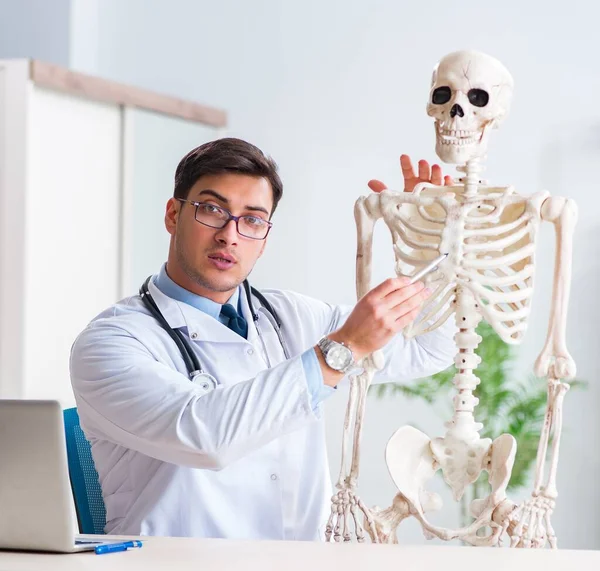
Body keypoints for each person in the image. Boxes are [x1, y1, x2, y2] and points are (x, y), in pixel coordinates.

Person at [70, 137, 456, 541]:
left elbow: (430, 348)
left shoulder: (293, 317)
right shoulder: (110, 342)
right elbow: (205, 438)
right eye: (212, 210)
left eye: (252, 219)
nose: (229, 235)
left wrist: (425, 244)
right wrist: (338, 353)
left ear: (265, 236)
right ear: (173, 214)